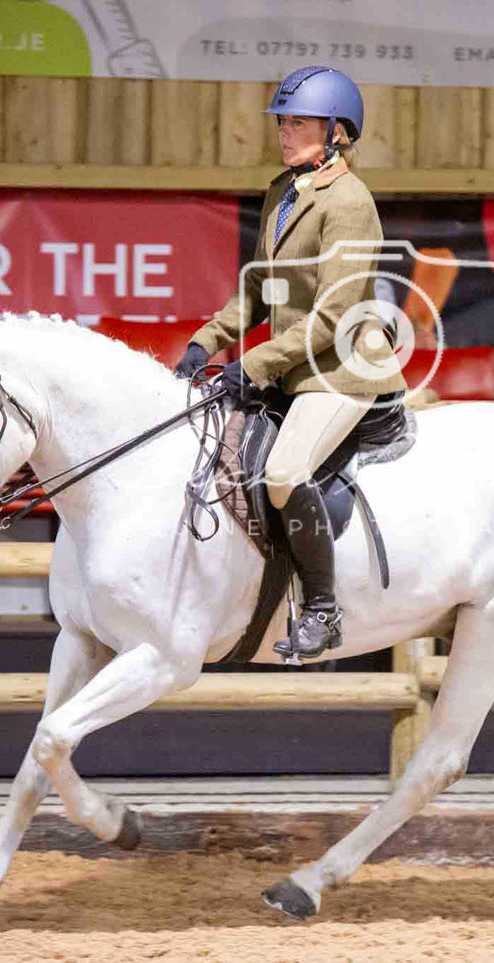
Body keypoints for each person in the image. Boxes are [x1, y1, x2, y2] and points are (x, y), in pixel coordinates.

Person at [173, 65, 408, 660]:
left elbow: (333, 316)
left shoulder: (350, 203)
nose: (283, 131)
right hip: (291, 368)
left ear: (336, 131)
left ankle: (324, 612)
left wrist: (252, 366)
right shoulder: (283, 190)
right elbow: (257, 290)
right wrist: (208, 339)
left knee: (282, 473)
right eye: (282, 120)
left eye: (297, 121)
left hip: (344, 370)